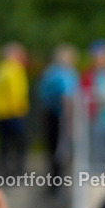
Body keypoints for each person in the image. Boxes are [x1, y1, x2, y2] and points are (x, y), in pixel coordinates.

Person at [37, 44, 79, 183]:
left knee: (52, 150)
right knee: (60, 151)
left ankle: (53, 181)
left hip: (47, 114)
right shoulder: (66, 74)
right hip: (61, 116)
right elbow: (67, 96)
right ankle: (58, 182)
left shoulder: (49, 72)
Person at [0, 42, 29, 176]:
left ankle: (3, 169)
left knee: (4, 143)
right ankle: (18, 170)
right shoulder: (15, 69)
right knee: (20, 142)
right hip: (13, 112)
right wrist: (19, 109)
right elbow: (16, 92)